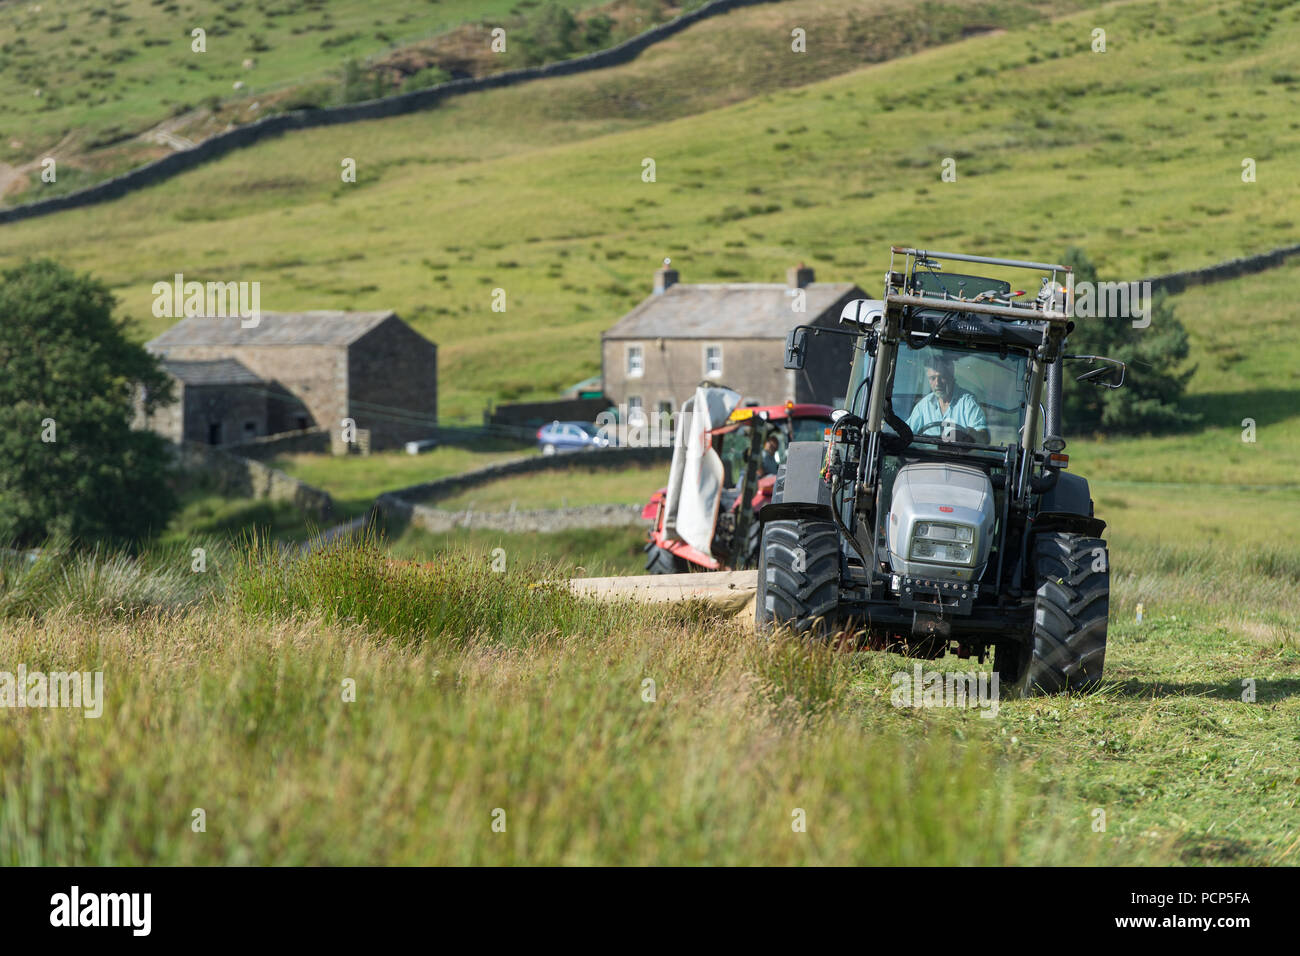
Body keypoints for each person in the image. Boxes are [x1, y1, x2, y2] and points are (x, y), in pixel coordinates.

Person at [905, 355, 989, 443]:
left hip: (958, 455)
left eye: (942, 377)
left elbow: (984, 438)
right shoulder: (923, 405)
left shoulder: (967, 402)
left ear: (951, 377)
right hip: (928, 455)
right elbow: (905, 432)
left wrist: (971, 433)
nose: (937, 383)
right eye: (932, 378)